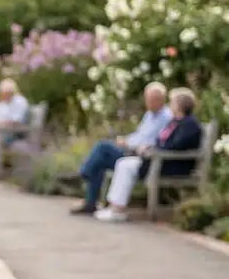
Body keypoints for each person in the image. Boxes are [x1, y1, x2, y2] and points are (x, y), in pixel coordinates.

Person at [96, 87, 203, 222]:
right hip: (160, 161)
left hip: (173, 165)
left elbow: (176, 146)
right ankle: (114, 207)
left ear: (180, 105)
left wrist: (153, 150)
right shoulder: (175, 122)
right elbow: (162, 141)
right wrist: (150, 147)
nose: (170, 105)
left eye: (172, 102)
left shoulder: (189, 124)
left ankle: (118, 209)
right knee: (124, 163)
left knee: (126, 166)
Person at [73, 82, 173, 215]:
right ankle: (90, 203)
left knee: (103, 147)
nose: (148, 103)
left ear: (161, 99)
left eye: (152, 99)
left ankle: (85, 172)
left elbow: (153, 142)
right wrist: (125, 140)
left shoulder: (166, 117)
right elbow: (139, 134)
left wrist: (129, 143)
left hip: (141, 155)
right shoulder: (149, 115)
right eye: (147, 99)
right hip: (130, 150)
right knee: (100, 160)